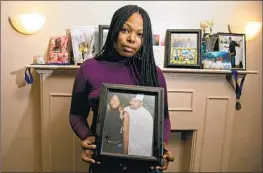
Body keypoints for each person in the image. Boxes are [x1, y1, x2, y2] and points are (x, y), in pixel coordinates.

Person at [69, 4, 174, 173]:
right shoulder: (89, 68)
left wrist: (162, 146)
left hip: (144, 166)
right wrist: (87, 137)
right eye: (125, 30)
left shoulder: (154, 73)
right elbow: (76, 114)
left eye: (140, 34)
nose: (132, 39)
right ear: (114, 30)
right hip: (103, 163)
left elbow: (164, 118)